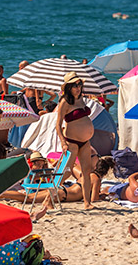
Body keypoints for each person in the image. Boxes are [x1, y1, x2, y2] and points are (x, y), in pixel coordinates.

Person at [55, 72, 95, 210]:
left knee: (86, 171)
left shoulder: (81, 99)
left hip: (85, 142)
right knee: (66, 172)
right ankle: (48, 199)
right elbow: (58, 124)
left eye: (79, 84)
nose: (78, 88)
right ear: (68, 88)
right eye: (74, 85)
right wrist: (62, 142)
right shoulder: (65, 102)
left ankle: (87, 203)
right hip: (71, 141)